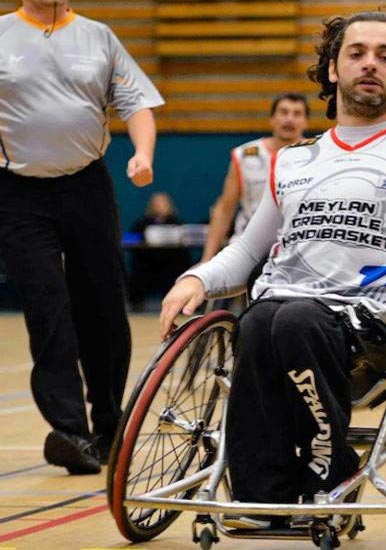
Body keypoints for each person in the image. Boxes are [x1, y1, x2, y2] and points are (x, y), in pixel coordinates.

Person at [159, 9, 386, 526]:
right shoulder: (295, 160)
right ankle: (262, 497)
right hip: (283, 317)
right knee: (258, 319)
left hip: (376, 328)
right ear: (333, 69)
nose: (371, 64)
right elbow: (248, 252)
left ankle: (331, 472)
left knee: (288, 319)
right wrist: (196, 279)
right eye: (357, 53)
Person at [0, 0, 163, 475]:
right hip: (16, 191)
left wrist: (143, 153)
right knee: (46, 306)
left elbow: (137, 104)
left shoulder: (98, 37)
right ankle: (71, 432)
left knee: (105, 307)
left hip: (86, 185)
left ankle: (110, 427)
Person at [201, 93, 310, 262]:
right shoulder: (245, 155)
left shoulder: (317, 155)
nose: (289, 119)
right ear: (272, 119)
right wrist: (206, 259)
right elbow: (224, 209)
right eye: (283, 112)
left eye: (297, 114)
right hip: (248, 245)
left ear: (305, 122)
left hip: (298, 247)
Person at [127, 193, 191, 311]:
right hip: (148, 265)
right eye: (157, 204)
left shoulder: (177, 223)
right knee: (138, 276)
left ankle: (181, 307)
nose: (160, 206)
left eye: (163, 203)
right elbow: (132, 240)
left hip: (170, 266)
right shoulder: (142, 224)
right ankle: (136, 307)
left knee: (180, 272)